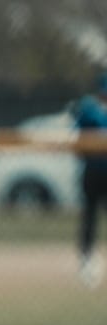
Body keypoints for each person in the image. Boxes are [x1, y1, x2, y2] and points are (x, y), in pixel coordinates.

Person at [73, 71, 107, 289]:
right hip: (93, 171)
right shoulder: (89, 108)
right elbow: (77, 131)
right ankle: (86, 260)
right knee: (90, 217)